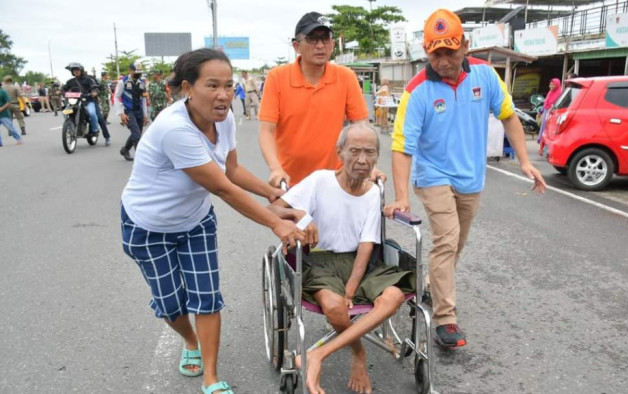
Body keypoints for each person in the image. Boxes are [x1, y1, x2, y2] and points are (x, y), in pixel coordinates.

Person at [120, 48, 305, 394]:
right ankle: (189, 340)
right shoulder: (175, 128)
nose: (223, 95)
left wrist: (272, 196)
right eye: (213, 86)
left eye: (229, 86)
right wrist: (275, 222)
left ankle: (210, 375)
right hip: (148, 227)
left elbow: (232, 170)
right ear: (188, 88)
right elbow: (222, 187)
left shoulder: (225, 119)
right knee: (171, 303)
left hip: (195, 222)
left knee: (206, 298)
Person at [384, 9, 547, 349]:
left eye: (450, 50)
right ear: (426, 52)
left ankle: (430, 286)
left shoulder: (485, 77)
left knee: (455, 244)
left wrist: (525, 162)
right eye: (436, 52)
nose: (443, 60)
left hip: (472, 178)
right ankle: (446, 319)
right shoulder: (418, 91)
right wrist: (402, 195)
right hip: (433, 176)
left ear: (465, 46)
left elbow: (509, 118)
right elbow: (402, 147)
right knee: (446, 240)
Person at [268, 123, 414, 394]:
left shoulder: (373, 193)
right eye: (354, 151)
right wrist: (299, 216)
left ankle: (318, 355)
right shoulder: (319, 180)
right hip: (319, 260)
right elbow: (273, 209)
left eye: (369, 152)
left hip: (360, 263)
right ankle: (358, 352)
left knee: (393, 296)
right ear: (340, 152)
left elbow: (366, 245)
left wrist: (350, 289)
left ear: (376, 157)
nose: (362, 160)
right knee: (335, 307)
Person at [258, 11, 370, 187]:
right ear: (296, 46)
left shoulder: (346, 77)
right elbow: (267, 131)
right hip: (290, 181)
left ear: (333, 44)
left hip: (337, 179)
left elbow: (361, 127)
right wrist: (276, 168)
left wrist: (370, 165)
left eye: (325, 39)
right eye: (312, 39)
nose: (320, 45)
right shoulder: (277, 77)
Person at [114, 62, 149, 161]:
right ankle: (141, 158)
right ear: (130, 71)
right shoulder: (123, 82)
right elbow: (116, 97)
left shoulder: (142, 82)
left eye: (139, 71)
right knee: (137, 135)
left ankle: (125, 150)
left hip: (139, 111)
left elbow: (144, 99)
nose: (138, 74)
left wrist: (145, 115)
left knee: (136, 133)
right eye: (136, 71)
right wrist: (121, 113)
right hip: (128, 111)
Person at [62, 62, 103, 139]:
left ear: (81, 70)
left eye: (77, 70)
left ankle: (95, 130)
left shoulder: (88, 79)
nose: (76, 71)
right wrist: (61, 92)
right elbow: (64, 88)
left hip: (87, 101)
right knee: (65, 111)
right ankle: (69, 126)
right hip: (74, 101)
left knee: (92, 113)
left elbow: (94, 86)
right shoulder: (70, 81)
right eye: (74, 70)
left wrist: (94, 91)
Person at [537, 78, 562, 143]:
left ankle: (546, 143)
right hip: (546, 111)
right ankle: (542, 142)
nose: (551, 86)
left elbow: (558, 105)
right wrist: (541, 111)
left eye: (553, 85)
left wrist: (551, 110)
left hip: (553, 113)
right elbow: (546, 103)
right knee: (543, 127)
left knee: (548, 129)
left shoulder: (559, 93)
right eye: (550, 84)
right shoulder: (550, 92)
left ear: (557, 85)